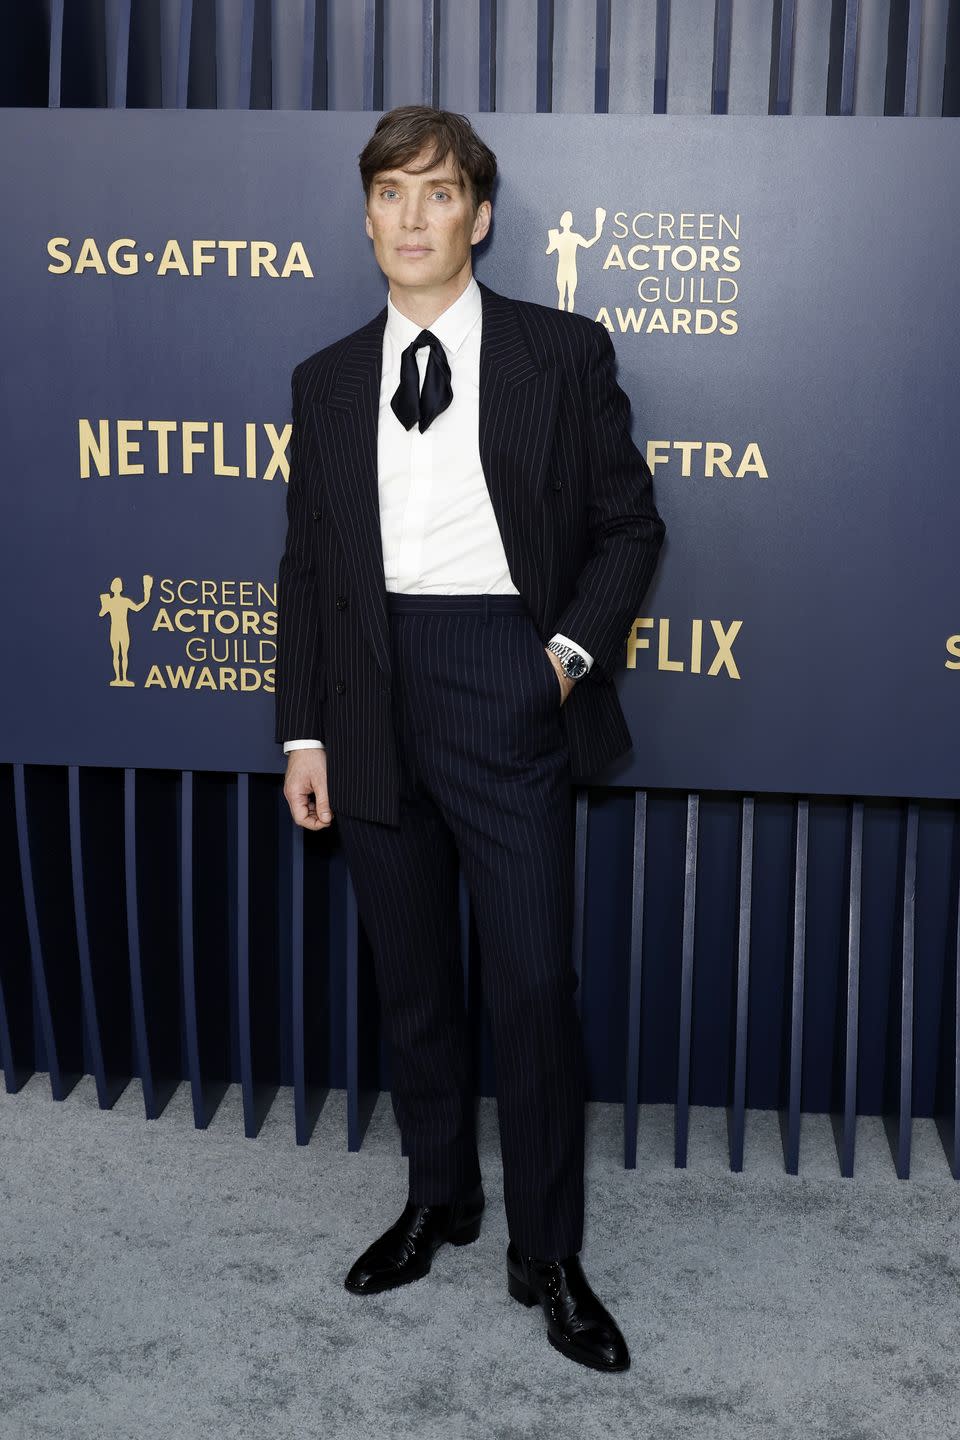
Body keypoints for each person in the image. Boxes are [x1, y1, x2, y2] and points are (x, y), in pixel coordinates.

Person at [274, 104, 665, 1374]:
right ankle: (441, 1195)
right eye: (389, 193)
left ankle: (548, 1249)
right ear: (369, 215)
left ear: (479, 217)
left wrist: (555, 663)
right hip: (369, 689)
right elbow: (307, 569)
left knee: (532, 990)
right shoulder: (326, 379)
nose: (410, 216)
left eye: (437, 193)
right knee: (413, 983)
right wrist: (304, 734)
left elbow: (627, 528)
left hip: (506, 679)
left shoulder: (561, 354)